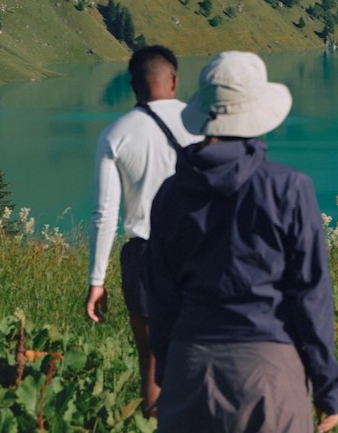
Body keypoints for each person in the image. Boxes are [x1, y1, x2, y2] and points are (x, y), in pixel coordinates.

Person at [147, 51, 338, 432]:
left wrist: (170, 368)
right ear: (257, 113)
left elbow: (160, 296)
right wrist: (327, 385)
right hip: (269, 372)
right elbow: (310, 295)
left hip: (190, 367)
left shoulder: (170, 194)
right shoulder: (288, 187)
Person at [86, 44, 202, 417]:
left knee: (151, 358)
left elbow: (105, 212)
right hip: (199, 249)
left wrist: (96, 280)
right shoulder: (203, 125)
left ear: (133, 85)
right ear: (174, 81)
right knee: (200, 350)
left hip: (145, 255)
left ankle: (154, 421)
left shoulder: (116, 134)